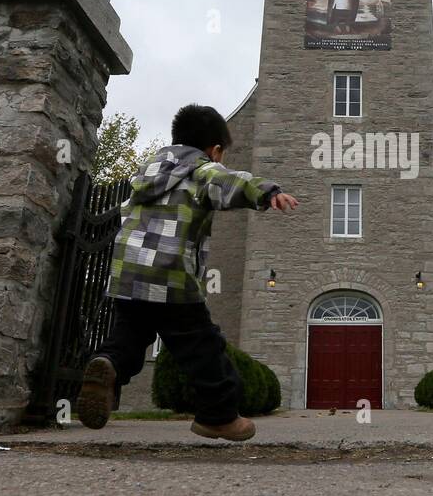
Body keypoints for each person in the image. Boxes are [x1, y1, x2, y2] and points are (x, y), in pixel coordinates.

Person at [76, 104, 299, 440]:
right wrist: (268, 192)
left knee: (129, 339)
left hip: (128, 276)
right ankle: (218, 415)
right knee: (204, 349)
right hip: (172, 277)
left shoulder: (149, 169)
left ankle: (108, 365)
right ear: (215, 150)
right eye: (222, 155)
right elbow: (228, 182)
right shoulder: (201, 169)